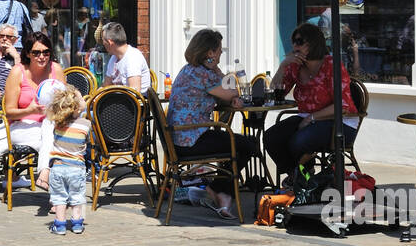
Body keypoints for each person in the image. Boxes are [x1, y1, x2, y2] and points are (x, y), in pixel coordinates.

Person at [166, 29, 258, 219]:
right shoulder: (203, 74)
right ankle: (220, 191)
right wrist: (221, 76)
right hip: (191, 141)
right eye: (219, 50)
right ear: (210, 52)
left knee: (236, 143)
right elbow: (232, 91)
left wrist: (228, 96)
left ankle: (219, 192)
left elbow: (223, 95)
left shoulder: (189, 70)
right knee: (249, 145)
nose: (221, 53)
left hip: (180, 139)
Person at [262, 23, 358, 189]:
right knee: (271, 137)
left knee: (299, 142)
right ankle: (299, 177)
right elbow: (277, 92)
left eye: (299, 42)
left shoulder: (331, 65)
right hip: (307, 118)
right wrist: (283, 66)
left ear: (313, 43)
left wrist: (312, 118)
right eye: (293, 41)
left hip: (339, 122)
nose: (294, 46)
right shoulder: (295, 66)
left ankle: (305, 177)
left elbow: (342, 105)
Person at [0, 32, 65, 156]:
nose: (42, 57)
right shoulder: (17, 72)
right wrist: (31, 111)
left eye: (46, 52)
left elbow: (66, 101)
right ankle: (47, 173)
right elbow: (9, 113)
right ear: (27, 53)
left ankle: (46, 174)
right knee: (49, 139)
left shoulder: (56, 69)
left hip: (52, 123)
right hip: (23, 126)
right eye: (36, 53)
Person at [35, 83, 92, 235]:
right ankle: (77, 224)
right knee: (77, 196)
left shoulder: (57, 125)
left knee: (59, 197)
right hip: (76, 168)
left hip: (58, 168)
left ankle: (59, 225)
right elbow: (88, 142)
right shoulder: (86, 124)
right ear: (78, 108)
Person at [100, 22, 149, 93]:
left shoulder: (133, 57)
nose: (103, 44)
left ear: (110, 43)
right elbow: (105, 86)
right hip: (118, 100)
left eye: (103, 40)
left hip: (134, 102)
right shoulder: (114, 58)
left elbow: (135, 92)